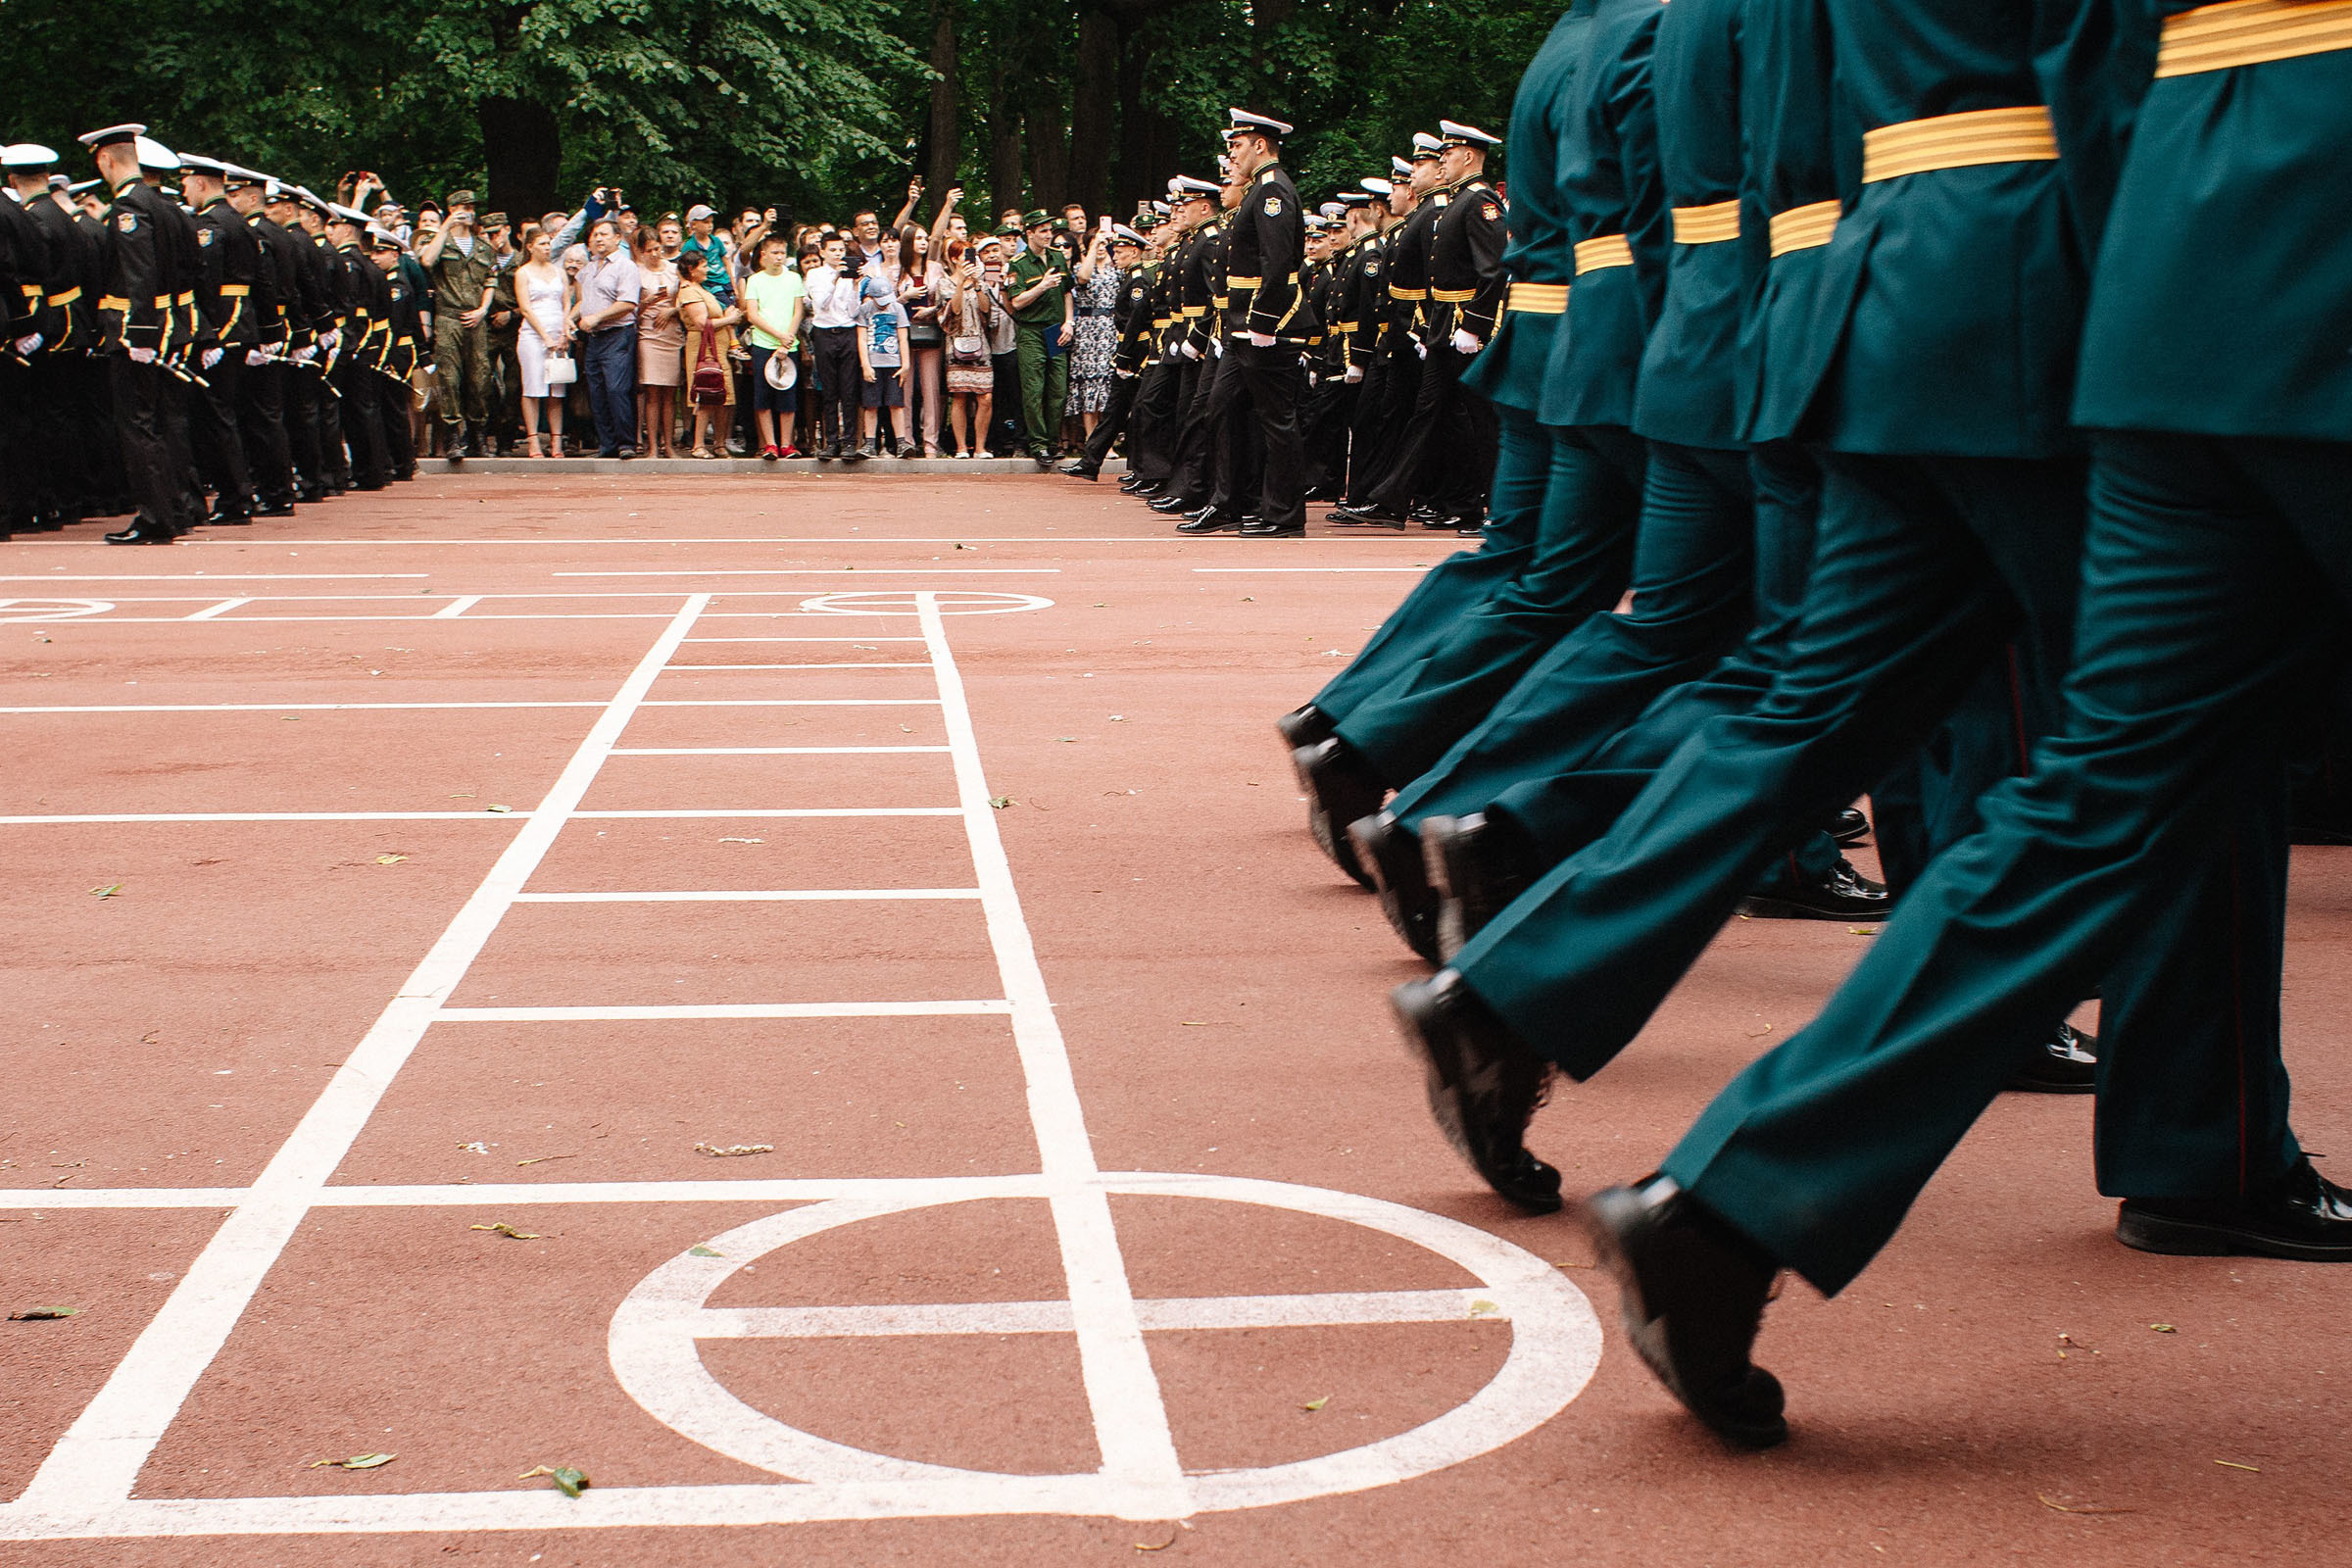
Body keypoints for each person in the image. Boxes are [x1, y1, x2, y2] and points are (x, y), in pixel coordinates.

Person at [1581, 0, 2352, 1455]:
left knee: (2097, 797)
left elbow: (2092, 51)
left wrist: (2141, 277)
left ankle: (1734, 1203)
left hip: (2172, 270)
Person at [416, 188, 497, 460]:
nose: (467, 212)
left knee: (479, 379)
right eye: (462, 207)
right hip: (448, 318)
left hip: (476, 319)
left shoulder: (484, 247)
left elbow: (490, 281)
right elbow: (427, 260)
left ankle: (478, 437)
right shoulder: (442, 241)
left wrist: (483, 310)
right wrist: (446, 226)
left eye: (471, 208)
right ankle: (453, 437)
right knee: (449, 378)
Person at [1005, 209, 1069, 466]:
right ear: (1029, 233)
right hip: (1031, 330)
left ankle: (1053, 442)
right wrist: (1041, 285)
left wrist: (1070, 321)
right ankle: (1039, 444)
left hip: (1056, 329)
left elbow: (1067, 291)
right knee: (1033, 389)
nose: (1048, 235)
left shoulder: (1057, 256)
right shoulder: (1018, 263)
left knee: (1058, 389)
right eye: (1042, 231)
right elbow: (1017, 302)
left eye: (1050, 230)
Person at [574, 217, 640, 458]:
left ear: (617, 238)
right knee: (597, 390)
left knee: (616, 388)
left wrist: (598, 317)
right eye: (595, 235)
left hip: (618, 333)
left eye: (603, 234)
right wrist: (568, 319)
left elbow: (628, 303)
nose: (598, 239)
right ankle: (607, 444)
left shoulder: (625, 266)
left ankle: (626, 444)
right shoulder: (588, 269)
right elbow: (583, 302)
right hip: (594, 337)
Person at [739, 230, 807, 460]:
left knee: (788, 397)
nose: (779, 257)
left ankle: (786, 444)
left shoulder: (794, 278)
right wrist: (778, 335)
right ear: (763, 255)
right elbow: (752, 315)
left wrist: (788, 338)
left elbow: (798, 310)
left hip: (789, 346)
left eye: (782, 253)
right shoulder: (755, 280)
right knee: (763, 397)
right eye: (775, 252)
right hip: (763, 344)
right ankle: (770, 444)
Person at [801, 232, 865, 461]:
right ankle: (830, 442)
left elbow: (853, 309)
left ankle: (849, 442)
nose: (838, 254)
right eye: (833, 250)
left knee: (848, 389)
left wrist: (856, 285)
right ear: (823, 252)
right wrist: (835, 278)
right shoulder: (816, 274)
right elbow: (820, 303)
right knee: (828, 390)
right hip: (824, 332)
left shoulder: (849, 276)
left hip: (847, 331)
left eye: (841, 250)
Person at [942, 236, 1005, 458]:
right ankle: (961, 447)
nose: (968, 261)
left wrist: (977, 285)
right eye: (962, 257)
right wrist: (961, 283)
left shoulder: (982, 281)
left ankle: (980, 447)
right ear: (953, 259)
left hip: (981, 343)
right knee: (959, 396)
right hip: (956, 344)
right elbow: (955, 310)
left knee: (985, 396)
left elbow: (987, 309)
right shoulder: (945, 282)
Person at [511, 225, 569, 458]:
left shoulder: (559, 272)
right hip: (534, 335)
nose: (547, 247)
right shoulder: (523, 273)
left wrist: (564, 330)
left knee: (557, 388)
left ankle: (556, 441)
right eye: (542, 243)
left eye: (549, 243)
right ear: (530, 246)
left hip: (558, 332)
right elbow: (525, 307)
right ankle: (533, 440)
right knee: (533, 387)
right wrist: (544, 336)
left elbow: (566, 303)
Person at [676, 250, 739, 459]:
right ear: (691, 270)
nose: (707, 269)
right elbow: (701, 323)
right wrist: (729, 320)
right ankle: (698, 445)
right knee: (706, 393)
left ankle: (720, 444)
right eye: (703, 266)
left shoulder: (701, 289)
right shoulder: (688, 291)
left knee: (723, 395)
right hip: (704, 348)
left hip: (717, 347)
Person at [1065, 220, 1123, 443]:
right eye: (1097, 244)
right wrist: (1093, 246)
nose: (1101, 248)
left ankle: (1106, 439)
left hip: (1110, 327)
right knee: (1089, 383)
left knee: (1107, 384)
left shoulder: (1116, 271)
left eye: (1104, 243)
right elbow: (1083, 277)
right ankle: (1091, 438)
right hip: (1088, 329)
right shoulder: (1081, 267)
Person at [631, 224, 682, 458]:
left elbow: (688, 296)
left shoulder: (674, 270)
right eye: (649, 250)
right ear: (641, 251)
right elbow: (631, 310)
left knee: (670, 392)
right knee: (652, 392)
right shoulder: (636, 272)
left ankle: (668, 444)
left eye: (657, 248)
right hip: (649, 333)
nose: (654, 253)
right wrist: (647, 302)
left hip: (672, 331)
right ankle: (651, 446)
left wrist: (672, 310)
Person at [897, 224, 947, 456]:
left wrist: (933, 310)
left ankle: (930, 443)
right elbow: (884, 304)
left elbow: (947, 298)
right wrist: (904, 296)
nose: (923, 243)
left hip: (930, 330)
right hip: (903, 333)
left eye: (925, 238)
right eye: (918, 239)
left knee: (931, 389)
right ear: (908, 242)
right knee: (904, 388)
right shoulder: (896, 270)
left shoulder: (935, 268)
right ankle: (905, 440)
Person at [855, 245, 908, 458]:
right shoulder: (865, 310)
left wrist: (906, 364)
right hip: (873, 363)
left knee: (896, 404)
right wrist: (865, 365)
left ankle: (901, 442)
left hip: (893, 362)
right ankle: (870, 443)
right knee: (871, 405)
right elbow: (861, 338)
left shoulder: (898, 308)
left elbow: (903, 337)